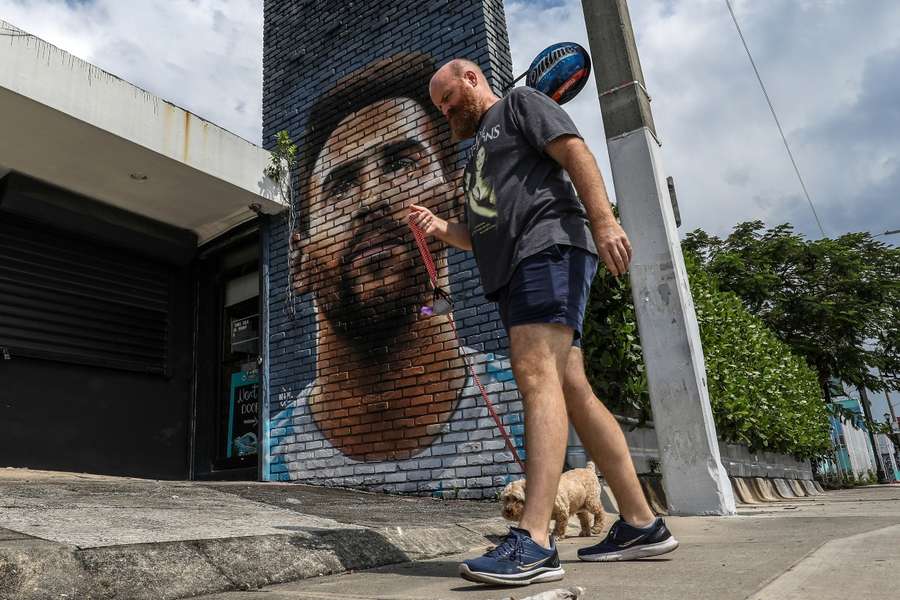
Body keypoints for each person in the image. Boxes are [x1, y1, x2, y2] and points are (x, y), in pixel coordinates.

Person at [410, 58, 678, 586]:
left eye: (448, 98)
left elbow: (574, 149)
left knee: (535, 376)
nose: (446, 111)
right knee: (571, 388)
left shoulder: (519, 105)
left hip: (547, 249)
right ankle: (642, 523)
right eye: (438, 106)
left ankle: (533, 539)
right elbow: (483, 232)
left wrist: (603, 220)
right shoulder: (477, 159)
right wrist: (443, 227)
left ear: (471, 80)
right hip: (519, 265)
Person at [285, 52, 468, 462]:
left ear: (457, 204)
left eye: (402, 163)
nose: (372, 200)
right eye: (341, 185)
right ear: (299, 262)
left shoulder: (525, 410)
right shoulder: (273, 455)